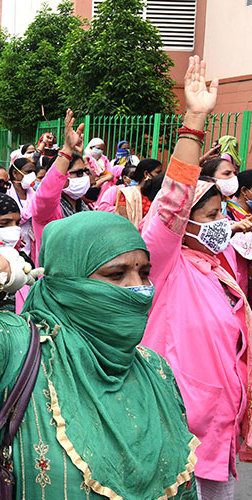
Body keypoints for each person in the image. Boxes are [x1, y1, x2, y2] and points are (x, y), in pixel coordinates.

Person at [0, 208, 198, 498]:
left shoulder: (154, 369)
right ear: (66, 281)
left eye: (143, 273)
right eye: (116, 275)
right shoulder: (12, 348)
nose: (137, 290)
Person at [141, 56, 249, 500]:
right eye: (209, 214)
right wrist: (194, 122)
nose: (223, 220)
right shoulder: (163, 262)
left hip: (217, 428)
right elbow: (171, 202)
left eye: (222, 211)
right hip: (177, 430)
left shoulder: (216, 266)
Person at [30, 114, 91, 263]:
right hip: (56, 278)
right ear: (61, 178)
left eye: (84, 172)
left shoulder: (84, 206)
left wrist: (78, 154)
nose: (83, 177)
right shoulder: (48, 211)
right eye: (77, 173)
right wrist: (67, 150)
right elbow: (46, 195)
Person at [112, 159, 164, 228]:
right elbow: (124, 222)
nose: (160, 176)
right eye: (158, 172)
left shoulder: (161, 194)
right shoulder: (128, 194)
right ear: (146, 174)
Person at [7, 156, 37, 255]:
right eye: (28, 172)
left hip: (31, 242)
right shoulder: (7, 193)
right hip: (12, 242)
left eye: (34, 172)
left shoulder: (34, 193)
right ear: (15, 174)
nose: (32, 175)